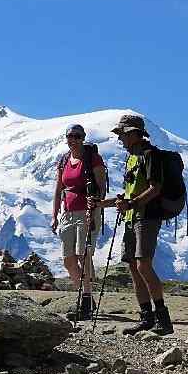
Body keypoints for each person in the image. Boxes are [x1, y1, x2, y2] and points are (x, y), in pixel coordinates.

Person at [90, 114, 173, 335]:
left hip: (146, 216)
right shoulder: (132, 157)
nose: (121, 139)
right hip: (132, 218)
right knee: (134, 268)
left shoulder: (149, 155)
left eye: (123, 134)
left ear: (135, 134)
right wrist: (103, 203)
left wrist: (133, 203)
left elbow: (155, 187)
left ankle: (163, 319)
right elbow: (128, 193)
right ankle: (146, 317)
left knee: (143, 265)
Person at [52, 124, 107, 321]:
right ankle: (86, 297)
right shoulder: (64, 159)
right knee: (68, 259)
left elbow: (101, 187)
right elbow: (59, 188)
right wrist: (54, 214)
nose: (73, 139)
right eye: (70, 136)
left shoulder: (93, 158)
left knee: (82, 254)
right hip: (68, 213)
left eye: (77, 136)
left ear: (83, 138)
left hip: (87, 211)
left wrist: (95, 206)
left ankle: (85, 302)